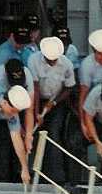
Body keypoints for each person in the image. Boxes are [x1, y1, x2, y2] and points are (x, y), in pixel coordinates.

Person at [28, 36, 76, 185]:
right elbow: (34, 88)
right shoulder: (33, 60)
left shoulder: (66, 64)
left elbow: (69, 87)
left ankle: (56, 176)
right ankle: (30, 172)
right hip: (36, 99)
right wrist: (36, 112)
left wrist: (53, 103)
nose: (52, 62)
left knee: (54, 134)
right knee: (33, 133)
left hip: (57, 101)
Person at [0, 58, 35, 181]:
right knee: (1, 146)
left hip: (10, 105)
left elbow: (29, 109)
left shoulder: (27, 76)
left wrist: (29, 135)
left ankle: (17, 176)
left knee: (17, 139)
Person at [0, 83, 31, 185]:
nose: (13, 114)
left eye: (15, 112)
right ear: (5, 102)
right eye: (12, 111)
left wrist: (24, 169)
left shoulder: (12, 115)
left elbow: (16, 139)